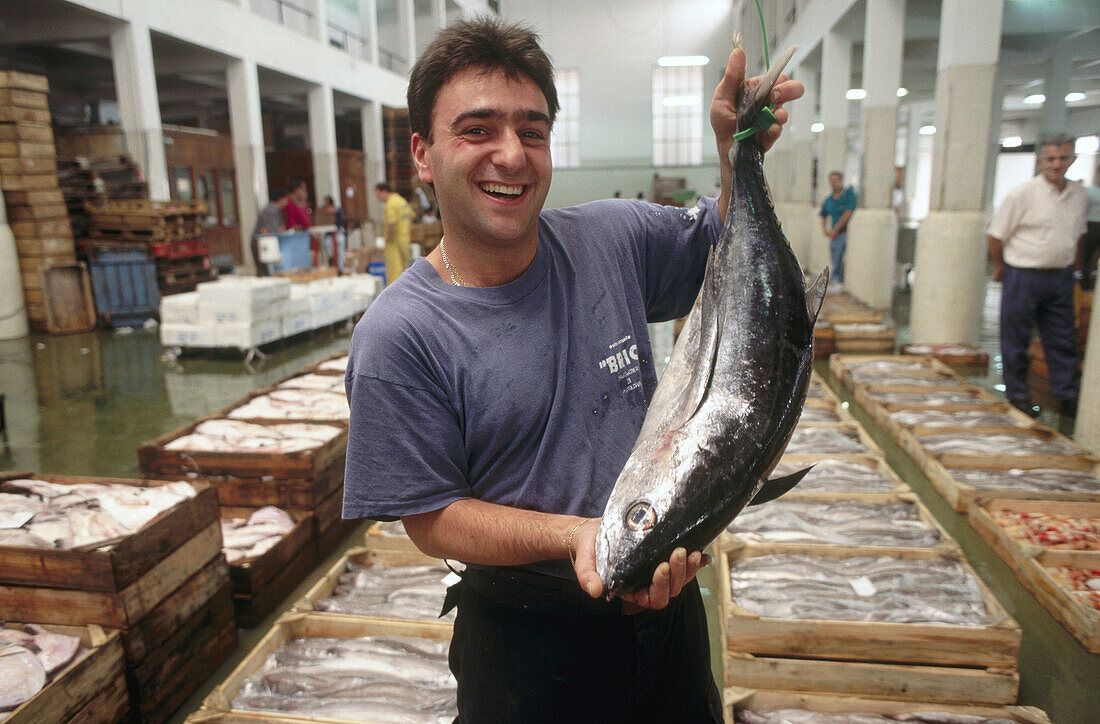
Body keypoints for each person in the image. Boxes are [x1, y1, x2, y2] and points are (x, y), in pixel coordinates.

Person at [343, 18, 802, 722]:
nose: (511, 155)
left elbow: (728, 251)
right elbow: (430, 517)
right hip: (526, 646)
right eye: (477, 130)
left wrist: (735, 153)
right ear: (423, 156)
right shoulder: (399, 336)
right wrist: (580, 537)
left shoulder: (612, 238)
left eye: (532, 131)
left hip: (667, 617)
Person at [987, 133, 1088, 418]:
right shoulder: (1022, 194)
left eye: (1063, 158)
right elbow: (995, 236)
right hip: (1023, 276)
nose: (1057, 164)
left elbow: (1078, 237)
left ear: (1072, 159)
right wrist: (1000, 268)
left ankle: (1067, 395)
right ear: (1040, 161)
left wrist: (1076, 272)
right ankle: (1018, 396)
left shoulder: (1079, 195)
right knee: (1016, 339)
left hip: (1060, 278)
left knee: (1063, 339)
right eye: (1051, 159)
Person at [819, 170, 856, 285]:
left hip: (847, 234)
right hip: (835, 236)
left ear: (841, 181)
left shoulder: (849, 195)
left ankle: (846, 282)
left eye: (836, 180)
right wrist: (824, 229)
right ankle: (836, 281)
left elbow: (848, 213)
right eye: (831, 181)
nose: (834, 183)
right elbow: (823, 214)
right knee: (836, 260)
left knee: (849, 261)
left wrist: (836, 229)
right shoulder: (829, 200)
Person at [373, 182, 414, 283]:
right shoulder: (401, 201)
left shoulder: (391, 204)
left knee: (394, 271)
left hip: (394, 243)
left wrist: (388, 237)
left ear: (384, 191)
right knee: (404, 269)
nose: (378, 198)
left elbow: (391, 222)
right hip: (404, 240)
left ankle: (395, 296)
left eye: (378, 195)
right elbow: (411, 216)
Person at [251, 188, 286, 276]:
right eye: (286, 199)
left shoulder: (273, 210)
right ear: (281, 199)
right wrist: (280, 229)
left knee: (264, 272)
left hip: (262, 243)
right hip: (262, 244)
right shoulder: (271, 210)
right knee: (264, 273)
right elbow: (272, 230)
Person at [1080, 163, 1100, 291]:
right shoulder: (1089, 191)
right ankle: (1084, 281)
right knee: (1086, 254)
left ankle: (1094, 280)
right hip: (1090, 225)